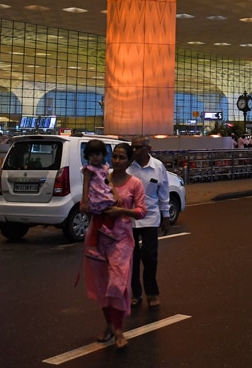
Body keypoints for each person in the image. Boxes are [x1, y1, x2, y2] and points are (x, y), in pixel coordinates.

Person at [84, 142, 146, 350]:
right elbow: (87, 200)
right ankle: (109, 325)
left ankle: (119, 329)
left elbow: (142, 211)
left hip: (121, 240)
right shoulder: (101, 176)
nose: (117, 161)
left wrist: (122, 212)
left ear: (129, 161)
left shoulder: (135, 183)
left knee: (116, 285)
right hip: (98, 237)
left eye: (122, 157)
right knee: (102, 285)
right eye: (115, 157)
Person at [127, 137, 170, 309]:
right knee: (132, 258)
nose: (136, 150)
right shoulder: (127, 167)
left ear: (148, 149)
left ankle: (152, 292)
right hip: (129, 218)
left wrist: (165, 216)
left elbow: (164, 193)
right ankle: (136, 293)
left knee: (150, 257)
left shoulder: (158, 167)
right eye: (134, 147)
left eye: (139, 147)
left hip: (151, 217)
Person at [80, 139, 118, 262]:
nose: (94, 157)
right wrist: (85, 201)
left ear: (103, 154)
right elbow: (85, 185)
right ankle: (93, 245)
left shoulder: (105, 167)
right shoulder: (89, 170)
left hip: (104, 195)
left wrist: (115, 193)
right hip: (96, 198)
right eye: (91, 155)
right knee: (97, 221)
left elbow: (109, 181)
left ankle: (105, 230)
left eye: (97, 154)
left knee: (111, 212)